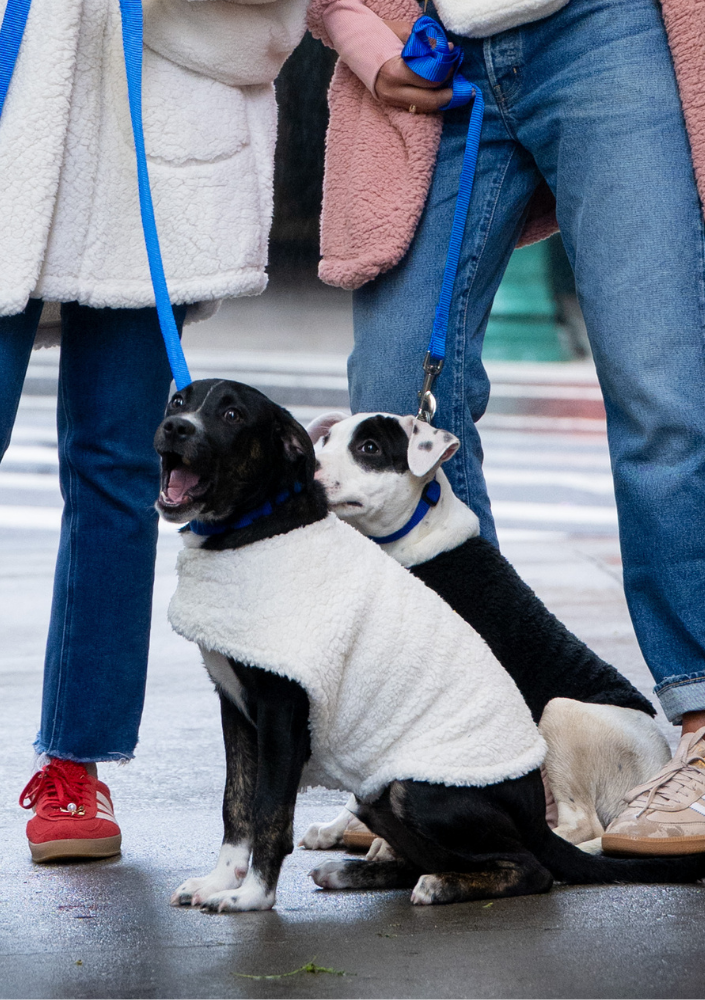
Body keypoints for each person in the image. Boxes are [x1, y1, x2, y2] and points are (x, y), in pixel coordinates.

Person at [309, 0, 705, 853]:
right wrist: (363, 34)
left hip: (612, 29)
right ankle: (476, 751)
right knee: (393, 389)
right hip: (436, 51)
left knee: (662, 383)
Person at [1, 0, 308, 862]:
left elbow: (274, 21)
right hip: (11, 110)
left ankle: (75, 761)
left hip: (149, 155)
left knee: (116, 468)